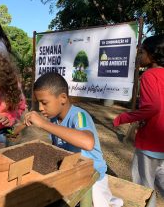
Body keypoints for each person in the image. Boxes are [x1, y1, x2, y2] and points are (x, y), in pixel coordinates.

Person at [24, 72, 123, 207]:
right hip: (72, 173)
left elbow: (88, 143)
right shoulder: (54, 119)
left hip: (93, 177)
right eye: (38, 103)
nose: (40, 108)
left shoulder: (79, 116)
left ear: (63, 98)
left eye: (44, 103)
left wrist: (44, 124)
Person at [113, 34, 164, 207]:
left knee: (143, 185)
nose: (139, 56)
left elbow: (153, 107)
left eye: (142, 52)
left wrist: (123, 117)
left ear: (153, 55)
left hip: (150, 143)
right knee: (160, 178)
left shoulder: (149, 76)